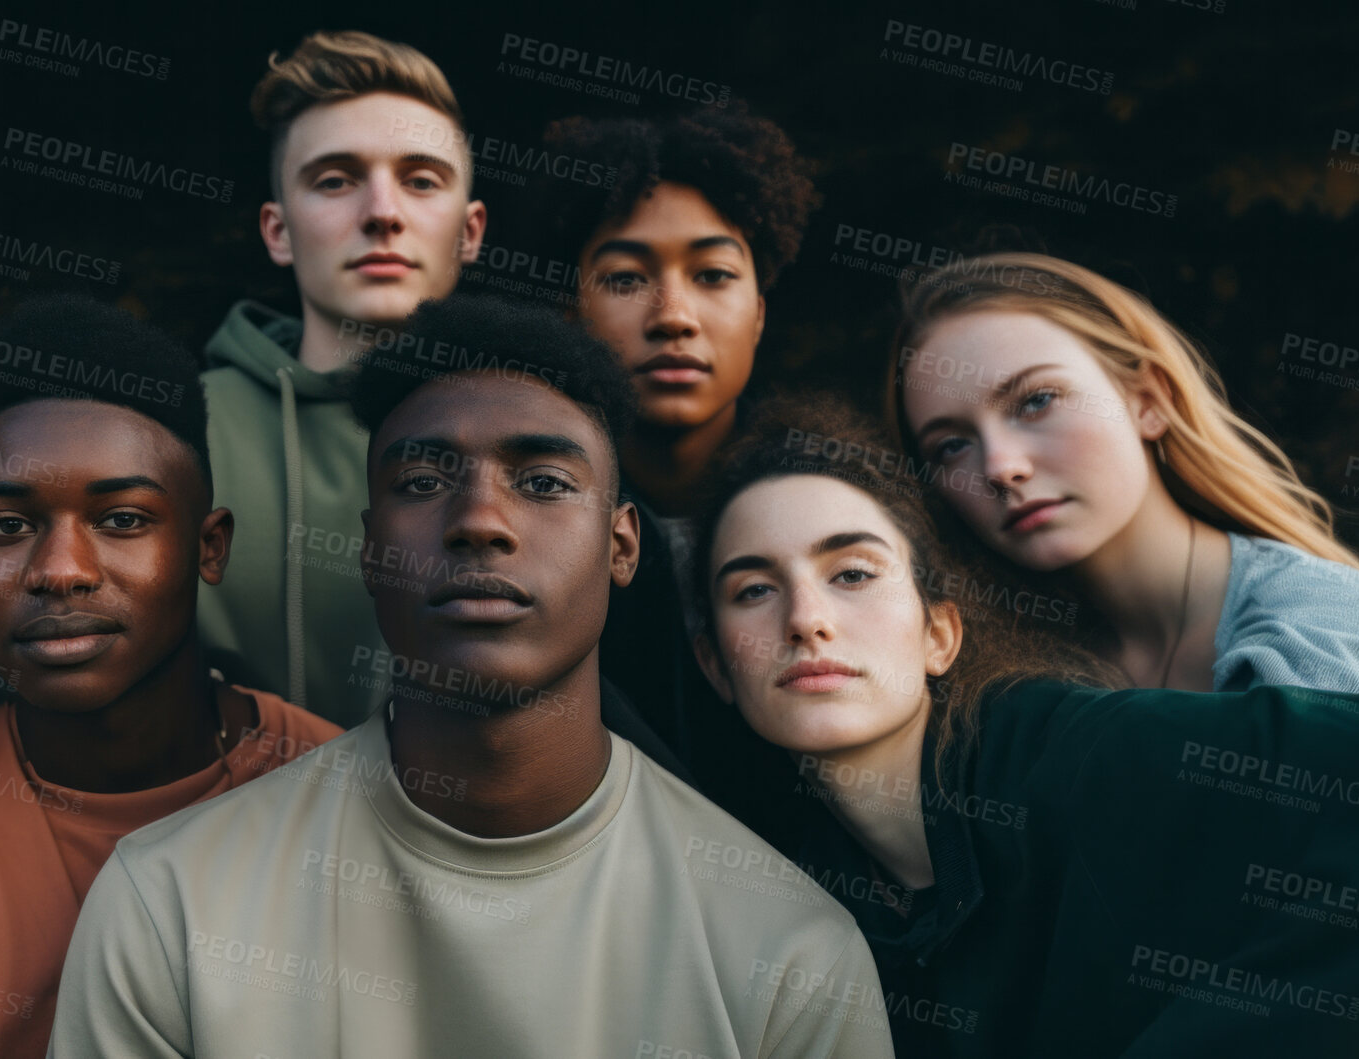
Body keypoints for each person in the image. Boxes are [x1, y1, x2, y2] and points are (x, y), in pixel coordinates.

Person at [48, 295, 895, 1058]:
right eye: (423, 481)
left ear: (623, 546)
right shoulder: (169, 904)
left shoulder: (789, 951)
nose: (480, 521)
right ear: (369, 548)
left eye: (542, 482)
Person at [692, 395, 1359, 1056]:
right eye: (754, 588)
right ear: (716, 665)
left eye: (851, 572)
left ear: (938, 636)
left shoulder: (1080, 752)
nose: (805, 620)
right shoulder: (793, 900)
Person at [0, 295, 342, 1059]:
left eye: (121, 520)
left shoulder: (346, 797)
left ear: (209, 547)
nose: (61, 572)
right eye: (7, 528)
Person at [886, 251, 1359, 693]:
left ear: (1148, 400)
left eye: (1037, 401)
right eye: (952, 445)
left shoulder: (1328, 628)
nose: (1002, 467)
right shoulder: (997, 676)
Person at [198, 30, 487, 728]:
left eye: (420, 180)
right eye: (334, 179)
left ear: (470, 231)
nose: (381, 212)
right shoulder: (169, 430)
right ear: (277, 231)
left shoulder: (542, 439)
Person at [529, 106, 820, 793]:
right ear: (570, 309)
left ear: (759, 310)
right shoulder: (523, 526)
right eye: (626, 278)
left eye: (713, 275)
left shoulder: (844, 512)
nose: (673, 316)